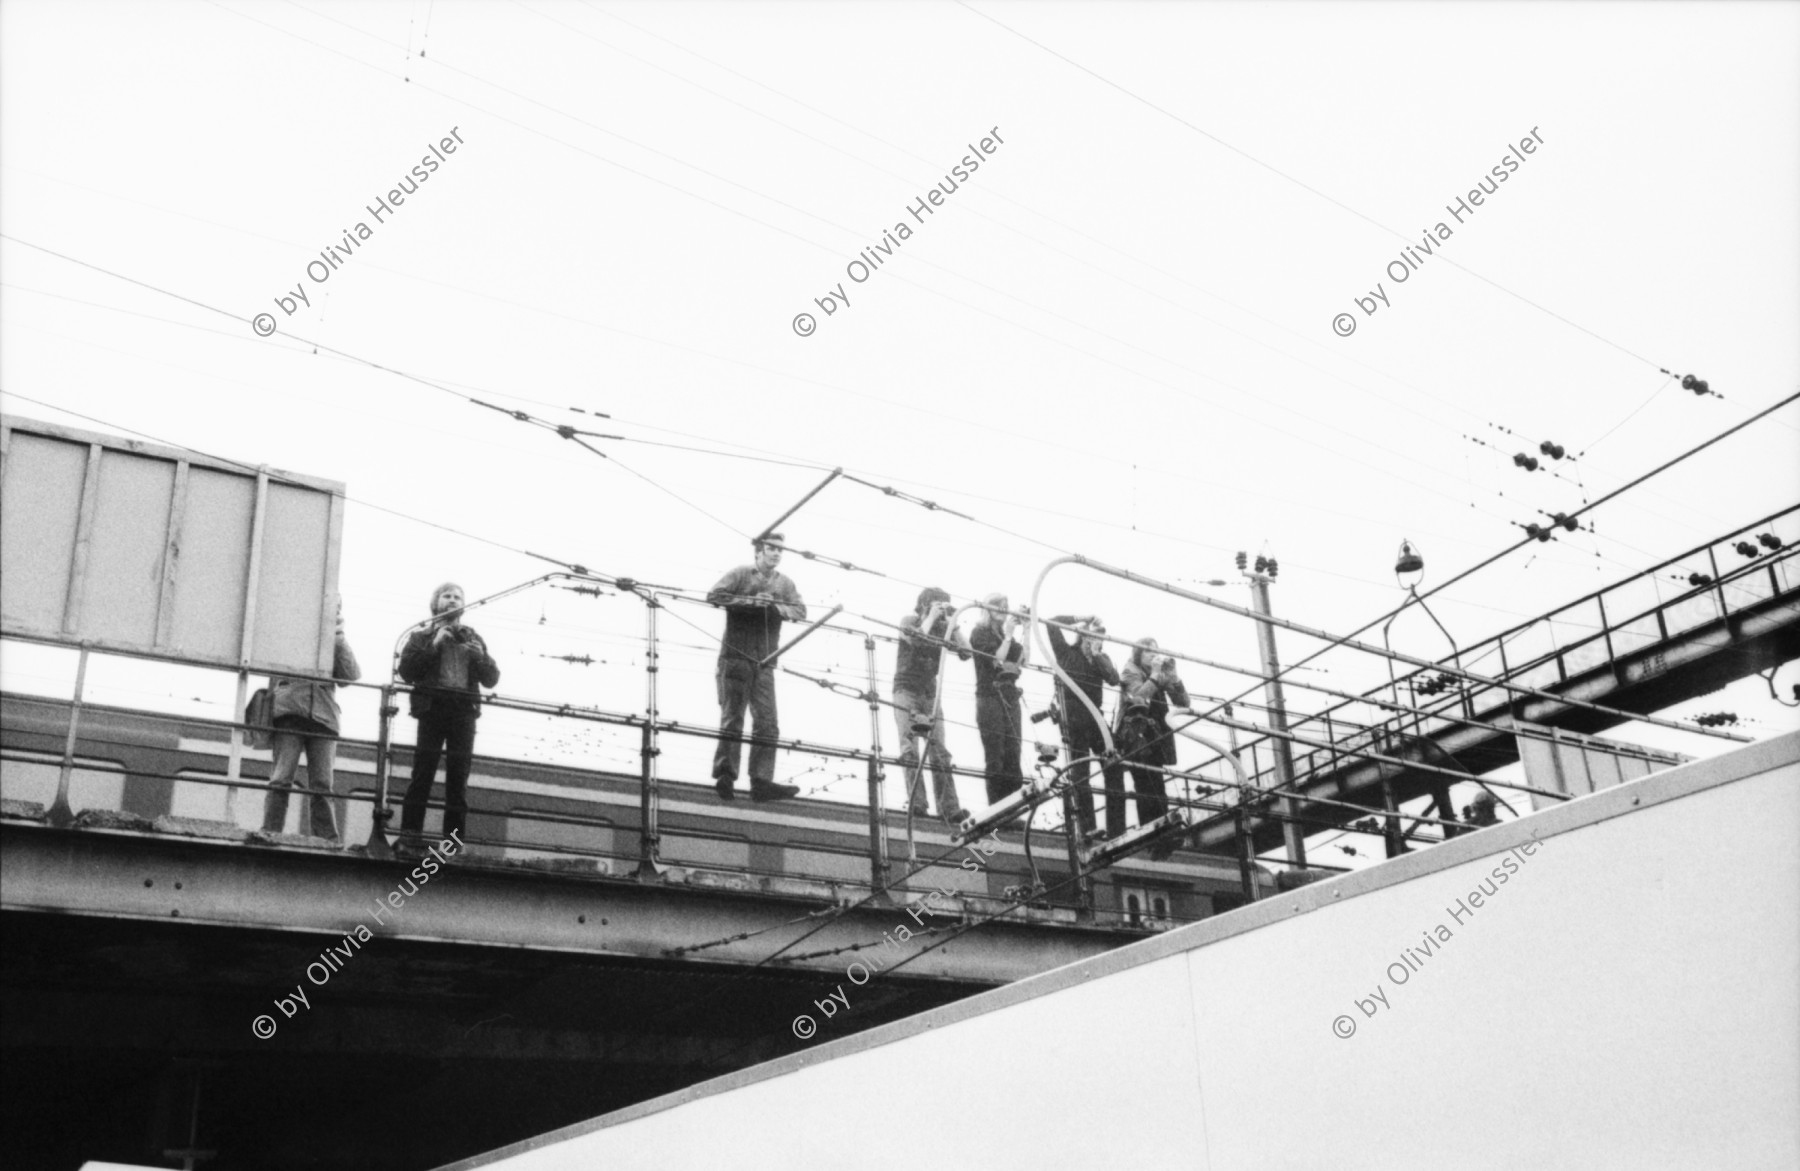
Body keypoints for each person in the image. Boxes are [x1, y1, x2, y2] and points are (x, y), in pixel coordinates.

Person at [398, 582, 500, 849]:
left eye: (458, 597)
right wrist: (434, 644)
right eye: (447, 596)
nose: (453, 600)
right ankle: (410, 835)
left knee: (458, 778)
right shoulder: (420, 635)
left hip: (463, 711)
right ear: (436, 603)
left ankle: (452, 843)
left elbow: (492, 679)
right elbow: (407, 671)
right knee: (423, 773)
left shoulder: (473, 637)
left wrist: (482, 659)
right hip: (432, 709)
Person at [707, 534, 806, 802]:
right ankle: (726, 775)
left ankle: (761, 781)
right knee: (733, 716)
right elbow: (715, 595)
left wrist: (776, 607)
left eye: (779, 550)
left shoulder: (784, 583)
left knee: (768, 722)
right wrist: (751, 602)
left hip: (765, 660)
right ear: (759, 552)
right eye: (772, 549)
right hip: (736, 655)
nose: (776, 554)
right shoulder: (741, 574)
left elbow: (801, 611)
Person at [261, 602, 360, 841]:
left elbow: (350, 675)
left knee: (321, 783)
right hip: (295, 712)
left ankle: (323, 837)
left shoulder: (333, 638)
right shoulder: (289, 627)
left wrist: (338, 637)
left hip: (319, 716)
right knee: (283, 777)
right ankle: (273, 831)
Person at [892, 587, 971, 826]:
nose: (942, 609)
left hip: (930, 693)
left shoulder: (944, 629)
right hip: (906, 689)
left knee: (939, 751)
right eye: (938, 604)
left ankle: (949, 807)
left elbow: (966, 652)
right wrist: (931, 617)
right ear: (924, 604)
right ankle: (917, 803)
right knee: (910, 747)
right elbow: (916, 639)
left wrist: (953, 624)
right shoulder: (910, 621)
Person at [1045, 614, 1123, 839]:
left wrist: (1097, 654)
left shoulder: (1100, 658)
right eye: (1092, 636)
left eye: (1100, 638)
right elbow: (1051, 623)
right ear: (1082, 636)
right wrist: (1081, 618)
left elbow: (1113, 679)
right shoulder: (1066, 653)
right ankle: (1088, 827)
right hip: (1074, 714)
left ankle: (1117, 828)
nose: (1097, 641)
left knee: (1113, 763)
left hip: (1095, 714)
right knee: (1081, 770)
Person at [1116, 637, 1189, 858]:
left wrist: (1174, 678)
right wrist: (1157, 675)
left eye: (1155, 652)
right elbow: (1138, 696)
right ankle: (1152, 834)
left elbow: (1184, 703)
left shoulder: (1157, 673)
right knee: (1145, 785)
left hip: (1155, 736)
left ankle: (1162, 832)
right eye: (1147, 652)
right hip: (1137, 736)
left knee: (1158, 785)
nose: (1152, 655)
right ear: (1137, 654)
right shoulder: (1130, 671)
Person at [969, 593, 1029, 806]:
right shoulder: (980, 633)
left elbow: (1024, 660)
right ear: (988, 609)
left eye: (1006, 606)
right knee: (996, 754)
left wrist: (1027, 629)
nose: (1003, 610)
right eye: (999, 606)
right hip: (989, 696)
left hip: (1009, 697)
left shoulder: (1004, 636)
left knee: (1013, 752)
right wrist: (1009, 635)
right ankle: (997, 806)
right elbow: (997, 660)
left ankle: (1012, 807)